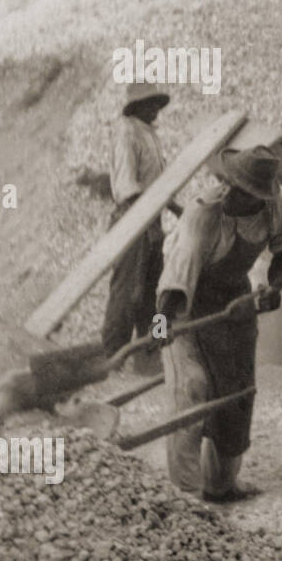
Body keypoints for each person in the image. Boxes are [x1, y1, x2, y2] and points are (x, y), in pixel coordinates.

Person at [156, 145, 282, 503]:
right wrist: (162, 324)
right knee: (191, 387)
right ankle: (185, 495)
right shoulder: (203, 214)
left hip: (235, 301)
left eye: (240, 188)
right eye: (228, 182)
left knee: (237, 394)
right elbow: (177, 276)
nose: (228, 191)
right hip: (185, 300)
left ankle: (221, 486)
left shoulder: (281, 207)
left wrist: (273, 289)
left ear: (259, 195)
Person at [101, 84, 183, 360]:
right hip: (131, 219)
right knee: (127, 293)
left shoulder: (150, 133)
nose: (156, 110)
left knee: (153, 293)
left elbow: (157, 183)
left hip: (152, 220)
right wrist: (145, 225)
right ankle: (114, 355)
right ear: (136, 105)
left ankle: (150, 355)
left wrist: (176, 209)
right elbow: (128, 187)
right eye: (150, 104)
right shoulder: (126, 131)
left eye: (157, 104)